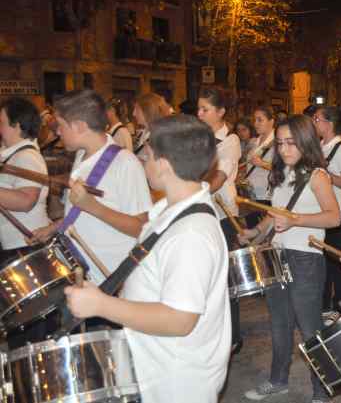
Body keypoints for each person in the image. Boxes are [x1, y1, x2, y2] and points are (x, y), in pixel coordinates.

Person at [65, 114, 231, 403]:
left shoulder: (191, 234)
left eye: (148, 155)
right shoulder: (171, 211)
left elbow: (180, 320)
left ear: (164, 164)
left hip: (177, 382)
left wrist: (101, 305)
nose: (143, 161)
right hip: (156, 367)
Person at [241, 114, 340, 403]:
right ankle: (278, 380)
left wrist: (297, 220)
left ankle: (322, 390)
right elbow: (276, 213)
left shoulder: (318, 175)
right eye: (280, 143)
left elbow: (334, 217)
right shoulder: (281, 172)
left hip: (306, 259)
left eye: (291, 143)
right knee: (279, 323)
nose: (284, 149)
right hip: (277, 254)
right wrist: (256, 232)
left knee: (310, 327)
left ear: (306, 142)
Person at [31, 90, 152, 284]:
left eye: (61, 125)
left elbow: (141, 228)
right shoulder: (81, 155)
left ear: (79, 126)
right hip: (81, 271)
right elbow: (82, 213)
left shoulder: (125, 163)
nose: (58, 132)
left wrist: (93, 206)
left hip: (110, 278)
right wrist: (54, 227)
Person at [197, 87, 243, 352]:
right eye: (199, 109)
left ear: (221, 112)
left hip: (223, 213)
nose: (200, 114)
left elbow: (219, 177)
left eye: (205, 109)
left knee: (226, 279)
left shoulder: (230, 140)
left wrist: (193, 190)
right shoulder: (199, 138)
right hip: (202, 212)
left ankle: (233, 335)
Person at [312, 106, 341, 325]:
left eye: (317, 119)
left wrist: (327, 176)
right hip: (322, 213)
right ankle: (323, 307)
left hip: (338, 214)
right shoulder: (320, 146)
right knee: (322, 265)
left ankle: (339, 308)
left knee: (335, 266)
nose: (314, 122)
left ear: (329, 124)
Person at [0, 97, 50, 250]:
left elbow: (26, 201)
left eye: (1, 123)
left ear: (17, 126)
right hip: (14, 244)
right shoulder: (10, 154)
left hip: (26, 246)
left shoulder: (27, 156)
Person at [244, 107, 275, 229]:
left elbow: (285, 169)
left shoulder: (278, 142)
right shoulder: (255, 141)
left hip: (265, 195)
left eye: (260, 120)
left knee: (263, 230)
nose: (255, 124)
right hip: (250, 192)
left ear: (271, 121)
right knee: (252, 228)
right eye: (254, 120)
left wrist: (262, 164)